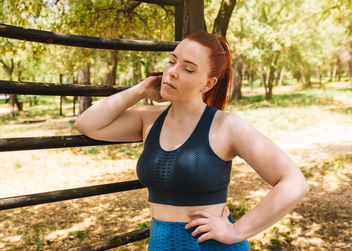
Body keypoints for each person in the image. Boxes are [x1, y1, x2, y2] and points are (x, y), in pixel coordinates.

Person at [74, 31, 308, 250]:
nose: (172, 72)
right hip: (160, 244)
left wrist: (237, 230)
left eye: (188, 69)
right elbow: (87, 124)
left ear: (208, 84)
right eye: (172, 61)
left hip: (210, 245)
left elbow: (294, 182)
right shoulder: (149, 119)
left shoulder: (226, 126)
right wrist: (142, 89)